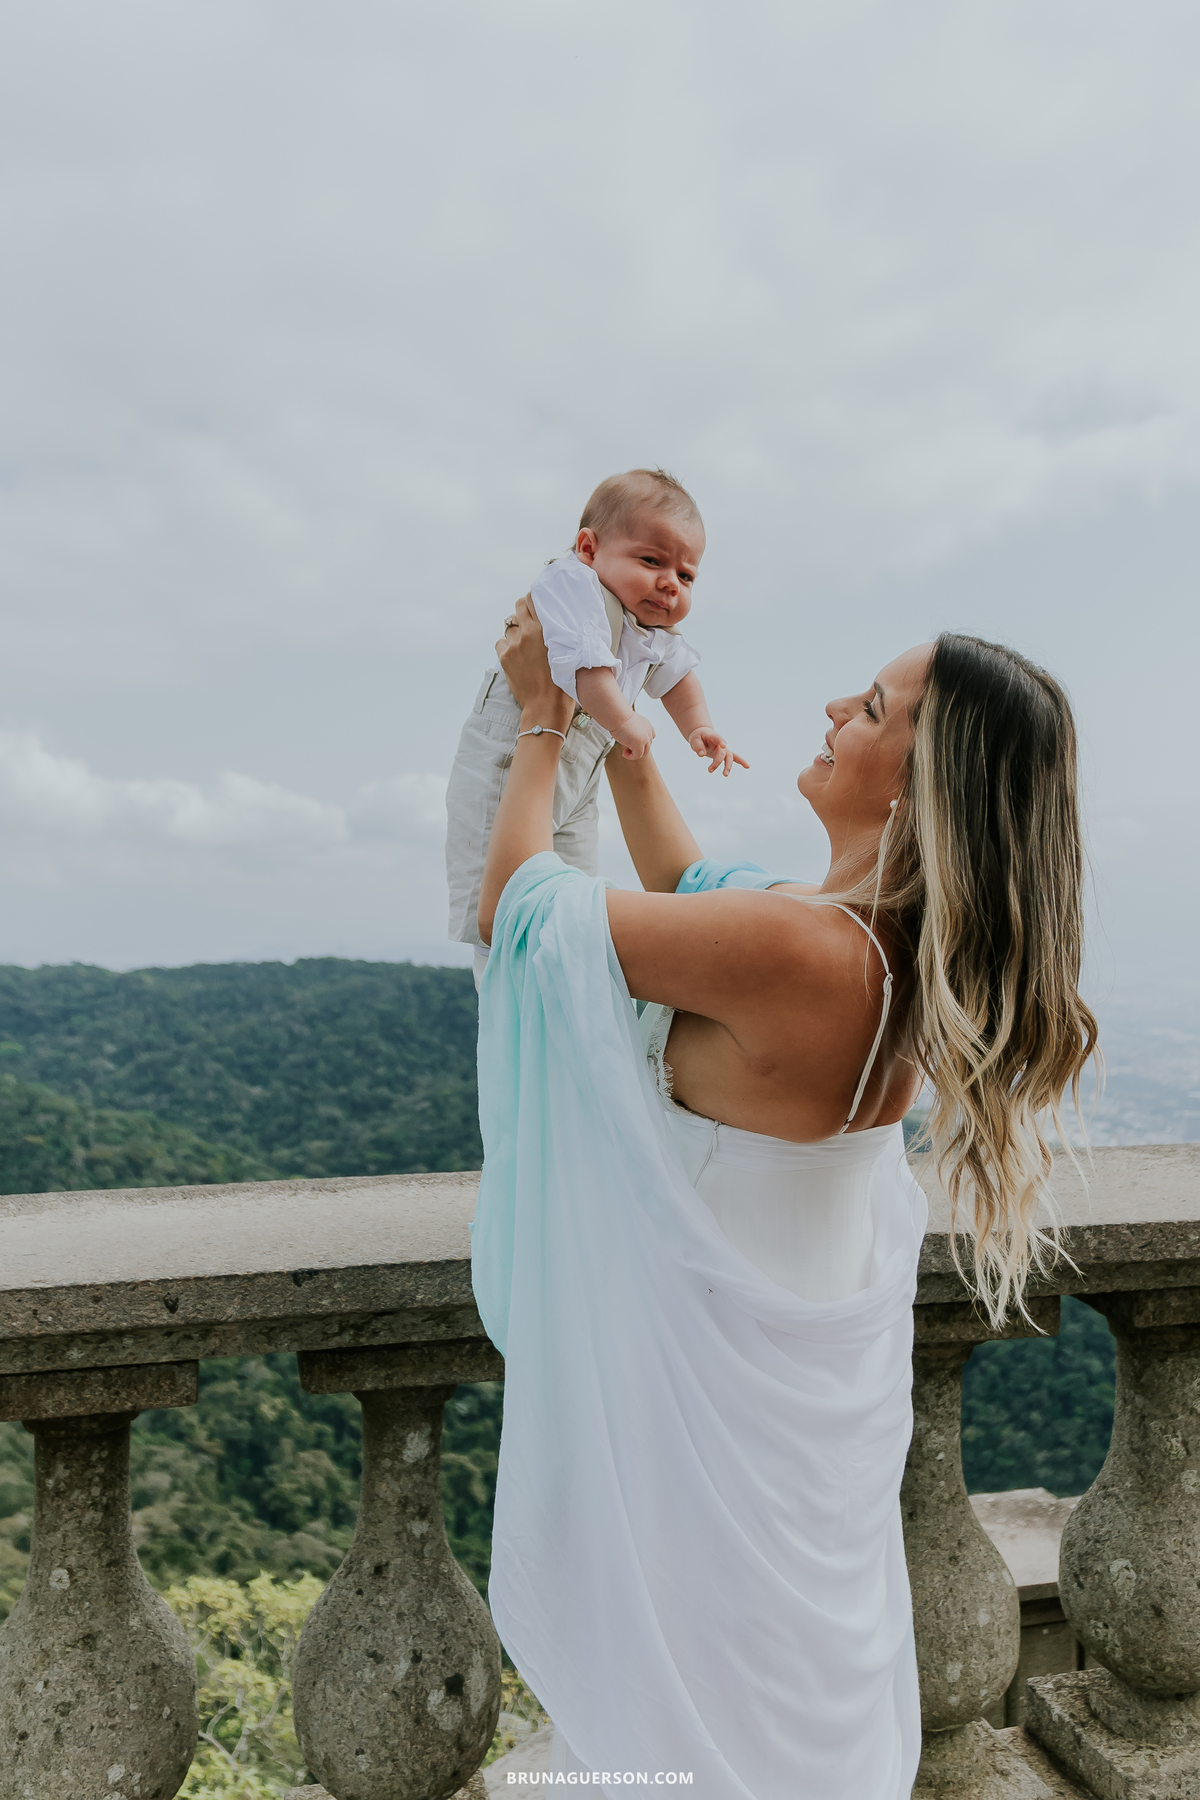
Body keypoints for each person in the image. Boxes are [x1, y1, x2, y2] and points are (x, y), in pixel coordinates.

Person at [469, 604, 1097, 1797]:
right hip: (781, 1442)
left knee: (696, 1719)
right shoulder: (889, 955)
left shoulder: (799, 953)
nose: (829, 710)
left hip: (703, 1448)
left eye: (866, 708)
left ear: (917, 787)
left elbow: (522, 913)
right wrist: (630, 726)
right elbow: (692, 883)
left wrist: (544, 721)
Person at [444, 468, 745, 987]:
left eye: (687, 575)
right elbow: (586, 671)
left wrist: (700, 730)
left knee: (569, 884)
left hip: (579, 758)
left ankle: (558, 977)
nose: (670, 583)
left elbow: (677, 675)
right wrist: (626, 720)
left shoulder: (647, 623)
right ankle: (500, 987)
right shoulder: (575, 585)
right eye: (651, 561)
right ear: (588, 547)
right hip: (512, 751)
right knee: (502, 890)